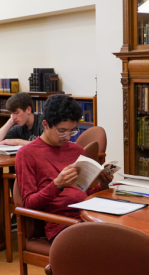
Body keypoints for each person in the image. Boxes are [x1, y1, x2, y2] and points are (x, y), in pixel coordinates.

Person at [15, 94, 113, 242]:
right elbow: (28, 204)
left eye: (72, 131)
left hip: (88, 216)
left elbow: (83, 195)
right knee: (107, 246)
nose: (67, 137)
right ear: (46, 124)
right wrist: (57, 185)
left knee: (128, 237)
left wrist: (102, 185)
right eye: (62, 131)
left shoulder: (76, 151)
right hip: (61, 225)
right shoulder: (27, 154)